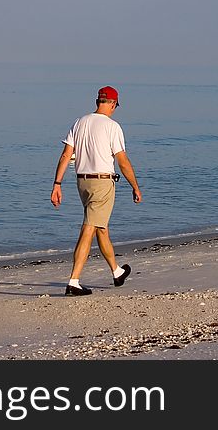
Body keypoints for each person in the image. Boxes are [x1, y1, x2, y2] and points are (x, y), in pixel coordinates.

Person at [51, 85, 142, 296]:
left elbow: (66, 155)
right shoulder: (112, 127)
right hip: (102, 183)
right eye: (115, 105)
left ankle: (117, 271)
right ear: (111, 103)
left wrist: (57, 184)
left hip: (82, 182)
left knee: (101, 227)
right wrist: (135, 186)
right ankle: (74, 281)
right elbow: (123, 161)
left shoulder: (79, 122)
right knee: (89, 228)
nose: (114, 109)